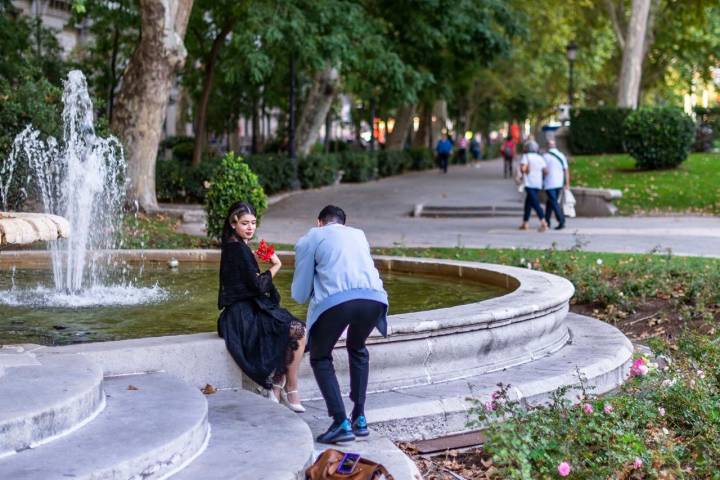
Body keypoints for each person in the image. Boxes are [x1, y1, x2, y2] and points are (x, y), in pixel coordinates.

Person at [291, 205, 388, 444]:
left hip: (338, 302)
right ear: (344, 224)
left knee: (320, 357)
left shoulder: (313, 236)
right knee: (357, 347)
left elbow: (300, 293)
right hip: (374, 299)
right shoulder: (359, 234)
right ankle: (360, 418)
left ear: (319, 222)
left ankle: (340, 422)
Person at [217, 201, 307, 412]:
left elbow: (250, 283)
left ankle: (278, 384)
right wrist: (276, 265)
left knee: (294, 328)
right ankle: (288, 388)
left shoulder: (237, 245)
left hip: (245, 310)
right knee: (297, 330)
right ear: (233, 223)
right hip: (241, 317)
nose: (250, 227)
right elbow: (258, 286)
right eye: (245, 223)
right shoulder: (237, 249)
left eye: (253, 223)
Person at [519, 141, 549, 232]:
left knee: (535, 202)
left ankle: (544, 222)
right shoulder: (540, 158)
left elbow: (523, 169)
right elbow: (546, 171)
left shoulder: (526, 156)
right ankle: (525, 222)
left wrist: (523, 169)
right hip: (538, 183)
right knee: (528, 202)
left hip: (529, 183)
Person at [543, 140, 570, 230]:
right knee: (550, 202)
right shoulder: (561, 155)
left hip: (549, 183)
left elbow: (544, 170)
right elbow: (566, 170)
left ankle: (561, 220)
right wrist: (567, 183)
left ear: (547, 146)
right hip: (559, 183)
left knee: (553, 202)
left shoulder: (545, 156)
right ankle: (547, 220)